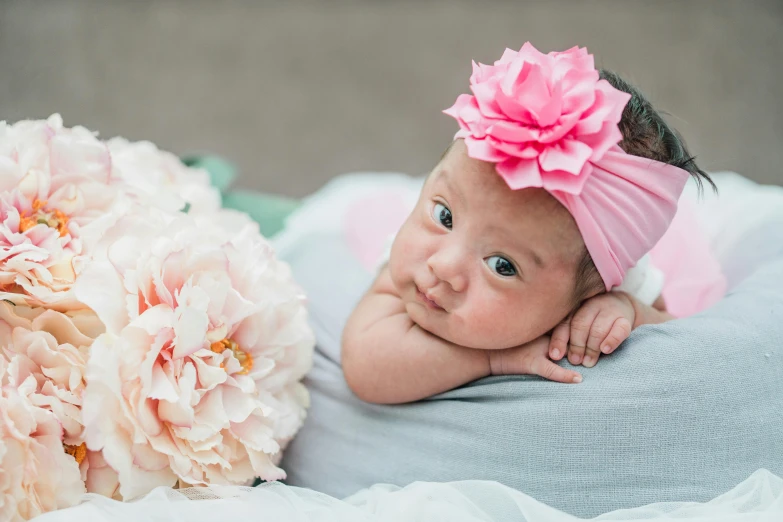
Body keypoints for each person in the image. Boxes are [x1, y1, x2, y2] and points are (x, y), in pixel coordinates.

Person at [341, 43, 722, 404]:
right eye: (445, 215)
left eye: (501, 265)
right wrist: (492, 360)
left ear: (596, 290)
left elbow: (674, 335)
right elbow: (366, 365)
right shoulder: (411, 270)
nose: (443, 265)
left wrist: (632, 313)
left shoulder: (620, 284)